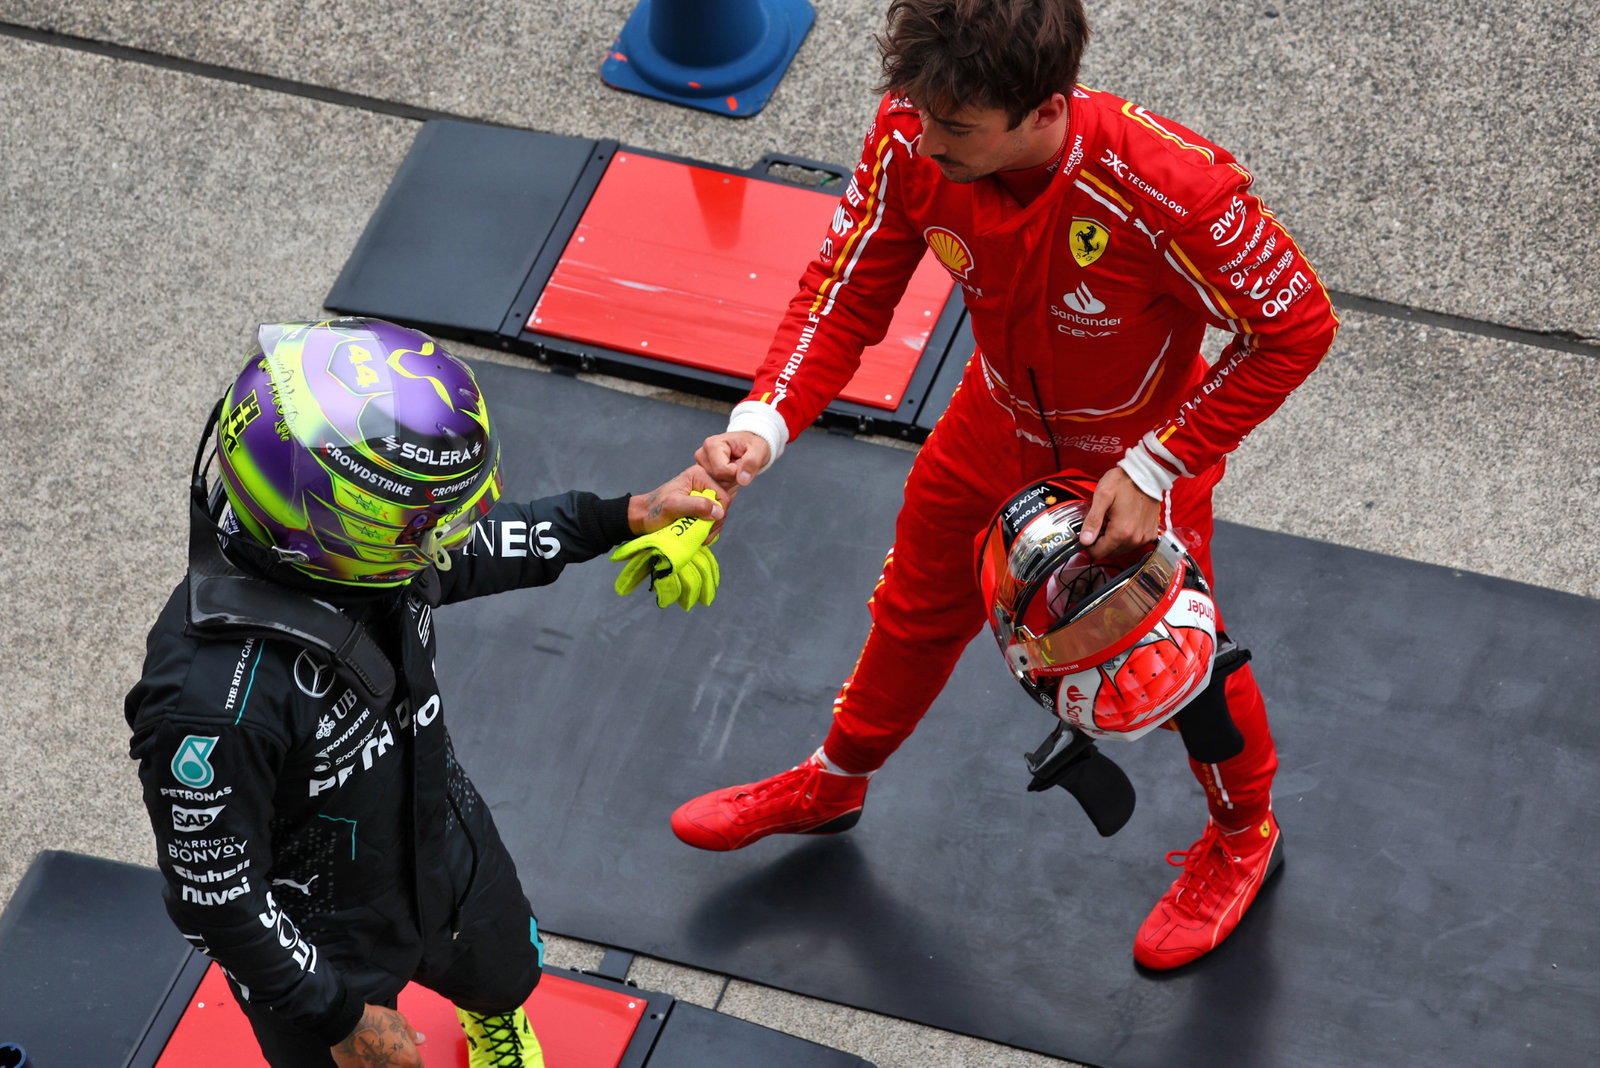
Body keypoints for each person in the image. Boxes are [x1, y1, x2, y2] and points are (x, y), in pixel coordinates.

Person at [669, 0, 1338, 970]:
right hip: (989, 430)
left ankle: (1243, 837)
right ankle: (837, 780)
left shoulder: (1165, 188)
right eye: (921, 111)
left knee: (1178, 662)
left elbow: (1296, 327)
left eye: (956, 128)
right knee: (912, 607)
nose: (927, 141)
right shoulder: (913, 136)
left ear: (1045, 109)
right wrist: (760, 426)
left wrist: (1159, 464)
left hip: (1132, 467)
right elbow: (847, 289)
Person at [126, 318, 721, 1067]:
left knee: (506, 972)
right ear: (339, 523)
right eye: (422, 525)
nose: (441, 539)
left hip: (441, 836)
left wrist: (624, 514)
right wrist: (341, 1017)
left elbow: (478, 546)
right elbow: (214, 895)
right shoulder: (208, 703)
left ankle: (493, 1018)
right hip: (319, 937)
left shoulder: (364, 554)